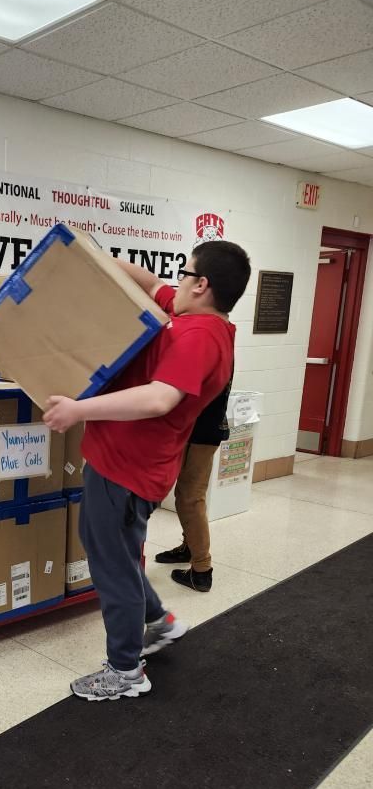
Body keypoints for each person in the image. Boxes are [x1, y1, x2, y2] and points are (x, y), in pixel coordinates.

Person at [42, 241, 251, 702]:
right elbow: (151, 283)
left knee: (113, 566)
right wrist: (85, 255)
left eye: (185, 273)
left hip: (128, 470)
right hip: (123, 463)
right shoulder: (191, 316)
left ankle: (125, 671)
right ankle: (158, 622)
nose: (177, 281)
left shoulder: (200, 337)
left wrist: (78, 409)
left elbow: (159, 399)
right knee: (116, 552)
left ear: (202, 285)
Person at [154, 376, 232, 592]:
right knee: (186, 494)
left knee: (190, 498)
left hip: (202, 428)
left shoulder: (209, 353)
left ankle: (201, 570)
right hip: (201, 426)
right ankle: (190, 548)